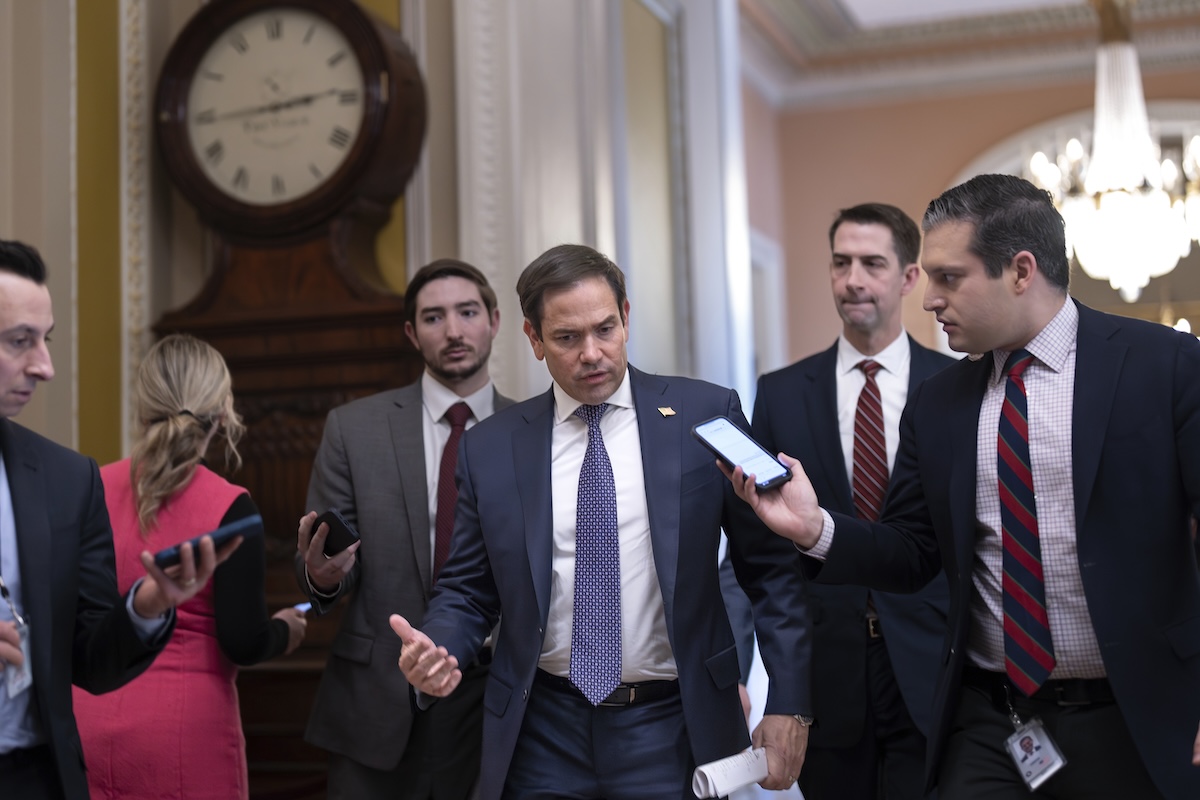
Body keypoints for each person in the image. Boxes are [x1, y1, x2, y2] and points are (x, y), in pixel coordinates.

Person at [724, 174, 1200, 799]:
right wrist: (817, 530)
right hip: (989, 718)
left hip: (1137, 710)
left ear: (1021, 271)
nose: (929, 300)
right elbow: (913, 549)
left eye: (950, 278)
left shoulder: (1164, 367)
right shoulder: (939, 403)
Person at [390, 243, 813, 800]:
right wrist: (439, 646)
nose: (592, 353)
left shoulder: (705, 414)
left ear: (627, 318)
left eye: (605, 329)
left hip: (672, 722)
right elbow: (469, 590)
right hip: (541, 728)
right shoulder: (491, 448)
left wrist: (789, 702)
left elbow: (769, 569)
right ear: (534, 340)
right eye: (567, 338)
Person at [725, 203, 952, 799]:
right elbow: (755, 549)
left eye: (872, 263)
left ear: (908, 278)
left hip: (933, 663)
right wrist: (737, 671)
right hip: (825, 671)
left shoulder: (955, 385)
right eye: (840, 262)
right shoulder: (780, 393)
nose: (853, 279)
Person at [0, 239, 231, 800]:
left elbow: (90, 660)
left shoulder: (65, 479)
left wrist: (147, 608)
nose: (45, 366)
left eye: (46, 340)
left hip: (31, 779)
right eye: (19, 341)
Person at [294, 259, 512, 799]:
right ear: (413, 334)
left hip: (496, 693)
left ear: (495, 320)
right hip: (376, 701)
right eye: (434, 318)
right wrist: (322, 576)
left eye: (467, 313)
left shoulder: (532, 430)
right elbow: (330, 568)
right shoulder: (354, 428)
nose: (454, 331)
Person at [72, 333, 307, 799]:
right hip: (183, 731)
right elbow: (242, 641)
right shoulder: (231, 507)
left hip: (86, 718)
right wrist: (286, 630)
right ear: (222, 415)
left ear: (141, 409)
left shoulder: (89, 488)